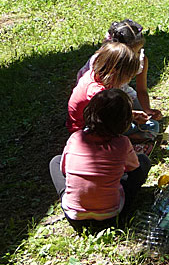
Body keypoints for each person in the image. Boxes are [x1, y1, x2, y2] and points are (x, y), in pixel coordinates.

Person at [50, 89, 152, 233]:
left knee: (55, 161)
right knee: (143, 162)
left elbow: (65, 170)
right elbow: (134, 169)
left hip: (75, 217)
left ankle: (67, 196)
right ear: (125, 121)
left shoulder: (76, 137)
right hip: (111, 215)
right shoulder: (123, 142)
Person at [78, 19, 162, 123]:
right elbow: (102, 104)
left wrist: (147, 110)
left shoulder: (141, 60)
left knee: (149, 123)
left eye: (139, 51)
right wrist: (129, 116)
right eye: (134, 52)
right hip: (102, 100)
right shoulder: (101, 65)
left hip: (121, 92)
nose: (137, 56)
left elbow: (142, 90)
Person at [67, 41, 140, 133]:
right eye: (128, 76)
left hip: (93, 121)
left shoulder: (94, 74)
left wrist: (132, 114)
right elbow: (109, 119)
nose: (128, 80)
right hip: (84, 129)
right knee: (149, 127)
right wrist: (131, 117)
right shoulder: (98, 92)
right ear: (115, 72)